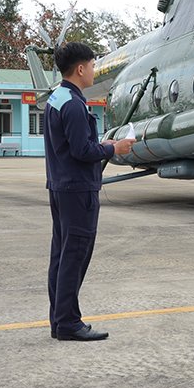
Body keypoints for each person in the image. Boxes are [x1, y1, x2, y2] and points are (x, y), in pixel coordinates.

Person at [45, 42, 135, 341]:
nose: (95, 71)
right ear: (81, 68)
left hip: (61, 187)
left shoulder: (56, 98)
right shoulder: (72, 103)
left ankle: (60, 321)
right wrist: (114, 148)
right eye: (93, 65)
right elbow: (83, 150)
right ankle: (69, 323)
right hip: (78, 189)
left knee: (62, 254)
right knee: (75, 255)